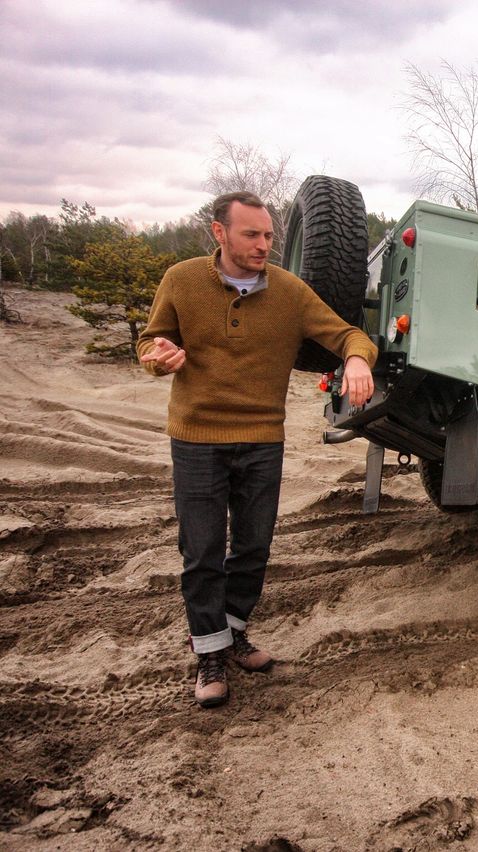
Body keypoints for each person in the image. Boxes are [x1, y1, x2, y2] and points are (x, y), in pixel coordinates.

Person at [138, 191, 376, 709]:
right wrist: (160, 358)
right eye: (252, 235)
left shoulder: (290, 292)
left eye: (269, 235)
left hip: (263, 439)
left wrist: (357, 359)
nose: (264, 244)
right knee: (201, 552)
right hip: (197, 439)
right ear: (218, 233)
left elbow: (348, 334)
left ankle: (233, 632)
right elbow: (150, 342)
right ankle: (209, 656)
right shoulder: (181, 280)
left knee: (253, 548)